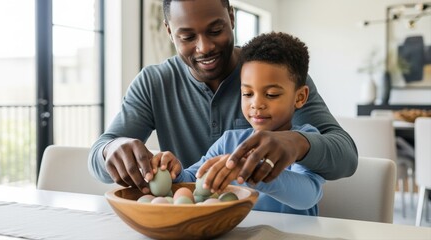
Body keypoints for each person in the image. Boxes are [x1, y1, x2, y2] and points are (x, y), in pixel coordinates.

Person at [88, 0, 357, 194]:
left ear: (231, 17)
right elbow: (99, 157)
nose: (204, 47)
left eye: (215, 31)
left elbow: (346, 157)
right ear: (170, 32)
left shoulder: (274, 75)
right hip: (195, 222)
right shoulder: (153, 82)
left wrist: (297, 144)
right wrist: (111, 149)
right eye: (187, 36)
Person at [156, 31, 324, 215]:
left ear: (300, 97)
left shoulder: (304, 142)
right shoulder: (229, 142)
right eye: (247, 94)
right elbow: (194, 179)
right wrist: (174, 172)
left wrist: (251, 171)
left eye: (271, 95)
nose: (256, 104)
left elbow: (308, 196)